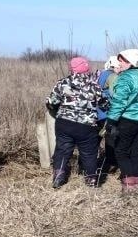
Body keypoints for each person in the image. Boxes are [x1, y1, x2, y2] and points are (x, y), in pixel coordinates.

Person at [46, 56, 107, 188]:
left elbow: (51, 102)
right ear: (86, 69)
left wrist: (56, 111)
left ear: (72, 69)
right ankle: (91, 180)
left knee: (62, 150)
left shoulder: (63, 83)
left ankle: (59, 176)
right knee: (89, 153)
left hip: (64, 123)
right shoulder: (94, 85)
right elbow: (105, 105)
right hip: (87, 126)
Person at [105, 48, 138, 192]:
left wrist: (111, 121)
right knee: (135, 150)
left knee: (121, 150)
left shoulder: (126, 78)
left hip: (127, 119)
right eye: (119, 60)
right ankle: (137, 180)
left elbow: (119, 101)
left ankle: (128, 182)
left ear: (129, 62)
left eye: (122, 60)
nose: (119, 62)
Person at [96, 56, 121, 172]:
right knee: (111, 139)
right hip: (108, 113)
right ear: (115, 66)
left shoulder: (102, 73)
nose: (121, 70)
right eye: (120, 67)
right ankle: (111, 164)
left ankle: (93, 162)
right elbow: (114, 94)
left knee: (97, 138)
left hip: (98, 112)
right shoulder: (113, 76)